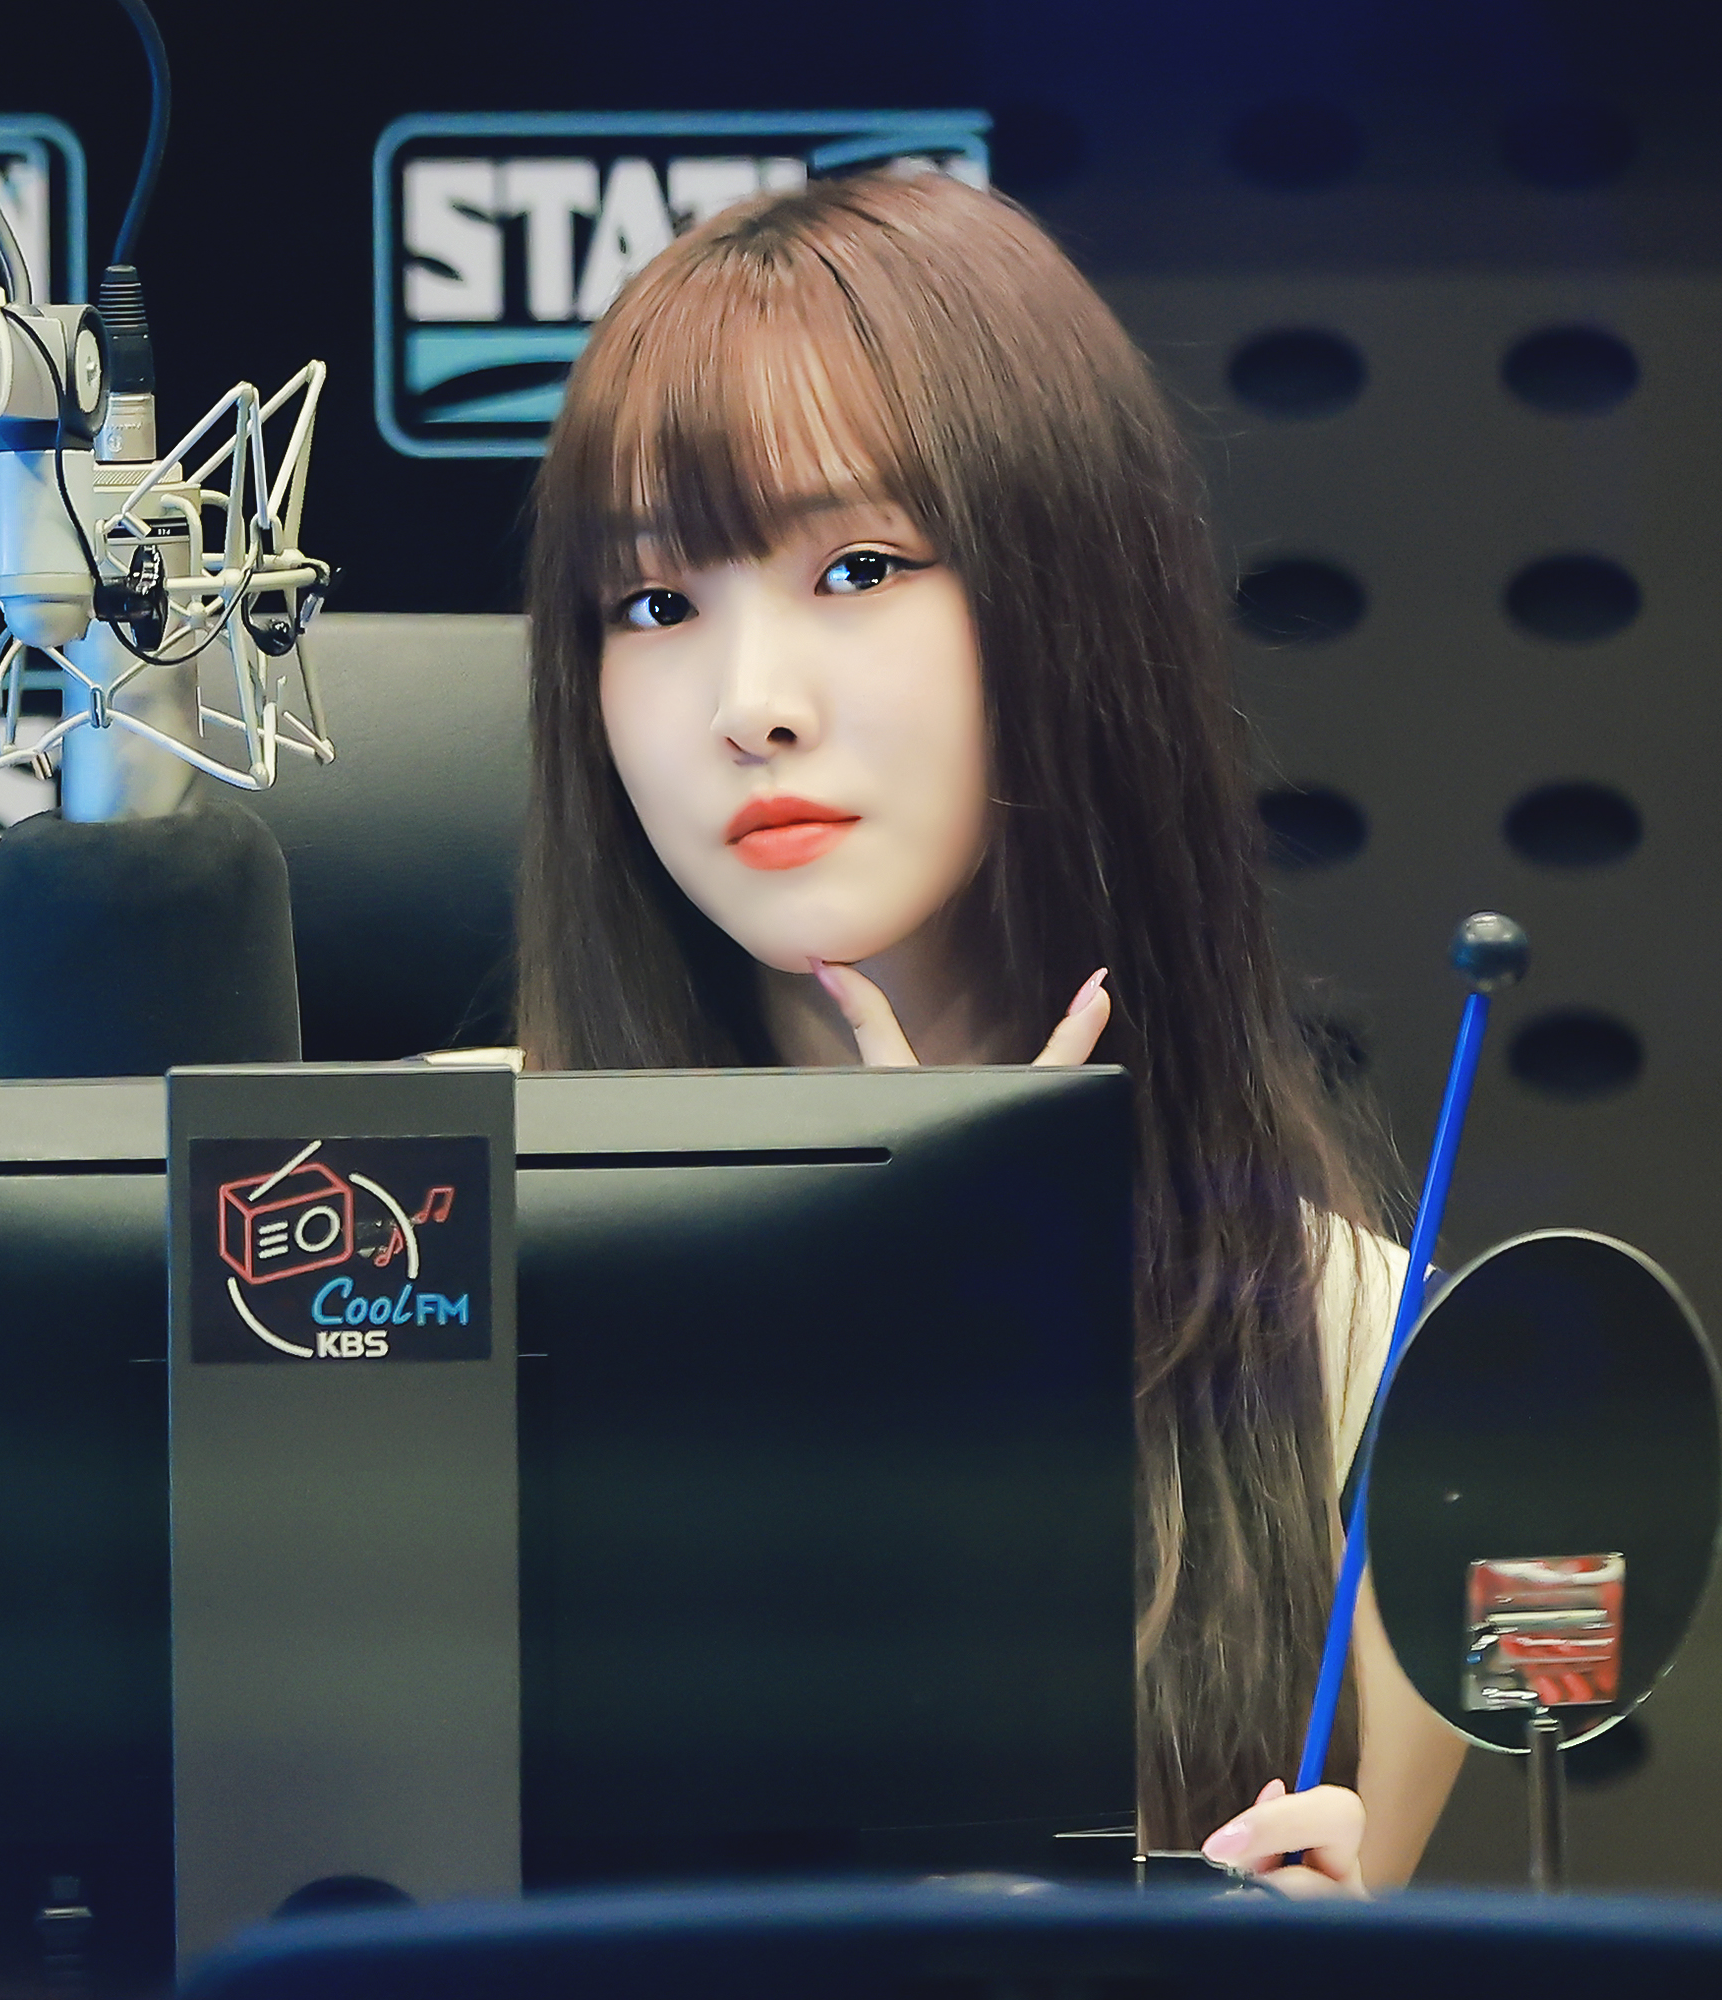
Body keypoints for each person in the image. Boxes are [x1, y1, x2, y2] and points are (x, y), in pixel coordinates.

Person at [513, 164, 1466, 1894]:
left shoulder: (1367, 1363)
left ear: (1072, 604)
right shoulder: (408, 1220)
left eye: (858, 566)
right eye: (653, 604)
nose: (749, 705)